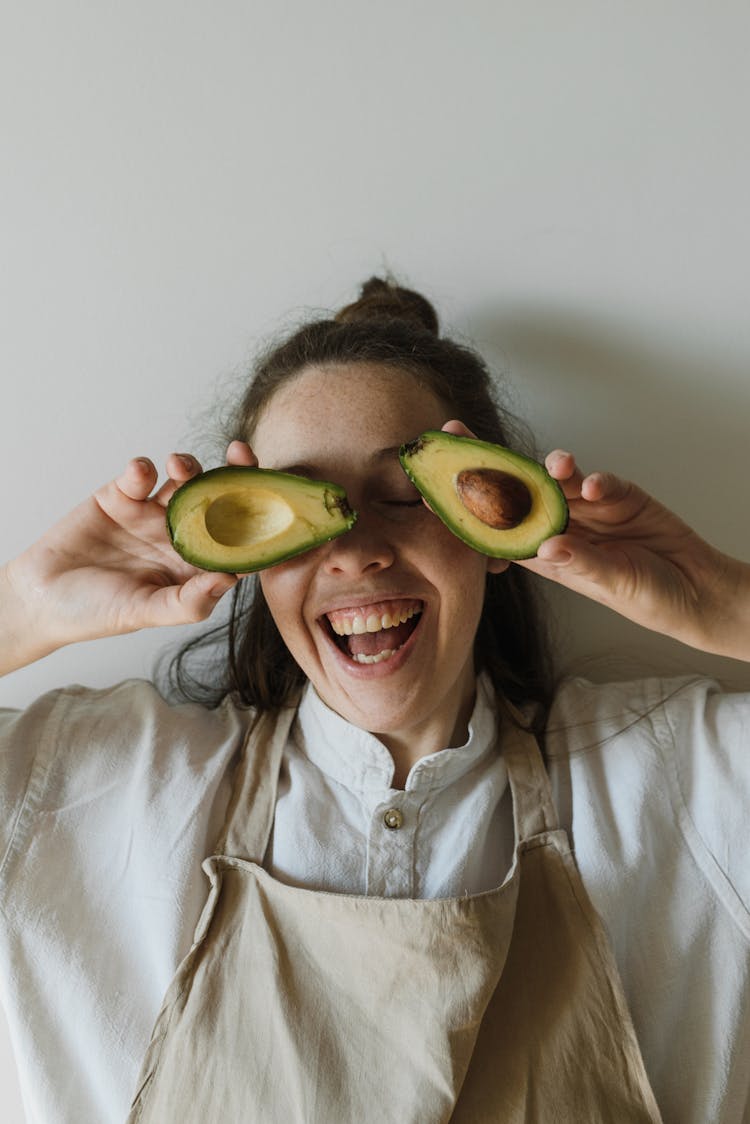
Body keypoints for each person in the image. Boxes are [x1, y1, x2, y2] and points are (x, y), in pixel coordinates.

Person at [0, 277, 748, 1124]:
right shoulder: (89, 786)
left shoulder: (688, 778)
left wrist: (717, 598)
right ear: (251, 558)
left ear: (494, 540)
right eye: (300, 508)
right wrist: (24, 608)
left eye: (407, 499)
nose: (356, 553)